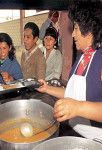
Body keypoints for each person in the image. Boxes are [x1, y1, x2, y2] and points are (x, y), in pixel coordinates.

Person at [38, 0, 102, 140]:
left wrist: (77, 108)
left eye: (76, 29)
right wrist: (47, 88)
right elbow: (71, 95)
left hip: (95, 140)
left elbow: (77, 104)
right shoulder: (81, 59)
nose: (72, 34)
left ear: (89, 31)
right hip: (74, 132)